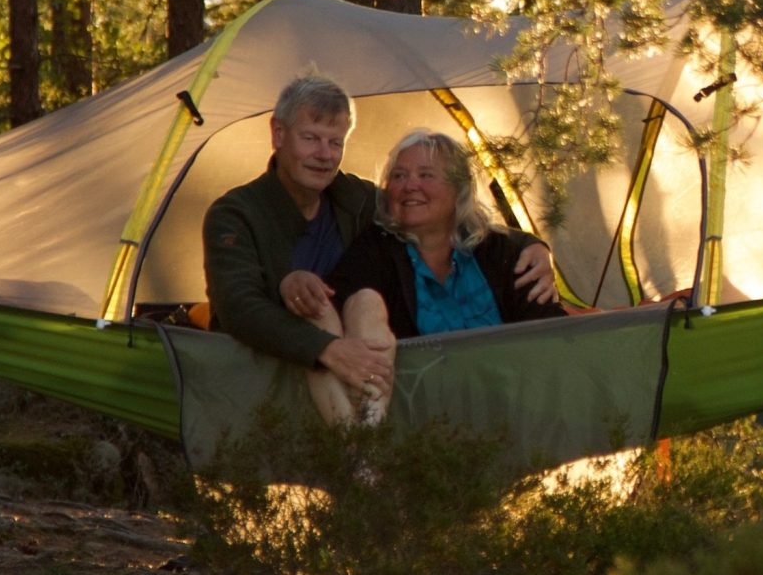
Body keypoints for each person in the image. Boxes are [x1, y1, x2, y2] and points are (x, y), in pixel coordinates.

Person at [203, 74, 557, 424]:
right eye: (310, 138)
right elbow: (239, 308)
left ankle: (363, 440)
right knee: (323, 306)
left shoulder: (356, 199)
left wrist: (535, 246)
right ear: (279, 134)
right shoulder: (236, 214)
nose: (324, 155)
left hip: (352, 367)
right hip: (271, 373)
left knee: (364, 303)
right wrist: (324, 348)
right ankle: (358, 445)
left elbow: (433, 213)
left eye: (335, 142)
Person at [281, 128, 567, 424]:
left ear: (459, 189)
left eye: (426, 175)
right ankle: (362, 440)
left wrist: (538, 245)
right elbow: (334, 304)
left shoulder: (499, 251)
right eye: (399, 176)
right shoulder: (377, 249)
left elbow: (553, 332)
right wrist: (295, 282)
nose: (409, 186)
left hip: (514, 410)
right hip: (423, 419)